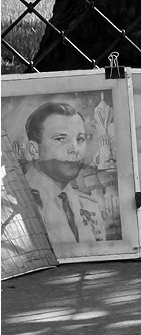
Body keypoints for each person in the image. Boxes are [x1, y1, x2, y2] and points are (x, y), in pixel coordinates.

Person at [22, 102, 106, 247]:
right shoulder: (16, 205)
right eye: (61, 139)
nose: (75, 149)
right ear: (34, 150)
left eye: (80, 139)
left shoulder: (90, 206)